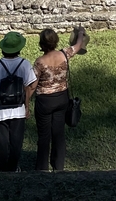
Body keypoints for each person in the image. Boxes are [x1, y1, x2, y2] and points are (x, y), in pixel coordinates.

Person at [33, 27, 87, 171]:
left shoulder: (39, 62)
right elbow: (78, 46)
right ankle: (58, 166)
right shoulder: (64, 54)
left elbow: (33, 85)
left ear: (41, 43)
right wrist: (80, 33)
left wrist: (26, 101)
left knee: (44, 136)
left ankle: (42, 168)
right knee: (58, 133)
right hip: (62, 98)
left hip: (44, 101)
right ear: (56, 41)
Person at [0, 32, 37, 172]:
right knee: (16, 143)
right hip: (18, 110)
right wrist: (27, 106)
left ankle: (2, 169)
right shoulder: (24, 64)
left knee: (1, 143)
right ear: (19, 48)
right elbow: (28, 87)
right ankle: (13, 168)